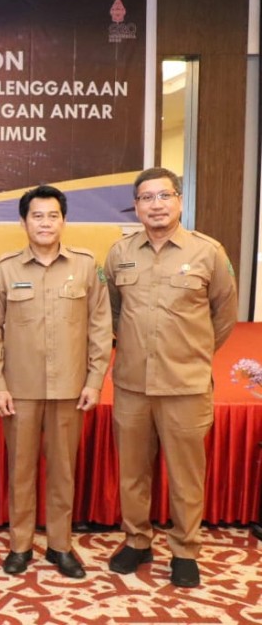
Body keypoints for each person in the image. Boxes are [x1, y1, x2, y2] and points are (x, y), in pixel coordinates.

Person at [105, 167, 237, 588]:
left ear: (180, 200)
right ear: (136, 207)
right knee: (133, 472)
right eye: (146, 198)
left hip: (186, 385)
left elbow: (224, 315)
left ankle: (185, 550)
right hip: (132, 385)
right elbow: (111, 312)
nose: (156, 205)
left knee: (186, 476)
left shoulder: (208, 252)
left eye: (164, 196)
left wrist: (191, 352)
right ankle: (137, 540)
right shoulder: (119, 253)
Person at [0, 185, 112, 578]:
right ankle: (20, 545)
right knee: (21, 471)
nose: (45, 223)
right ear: (23, 222)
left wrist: (94, 380)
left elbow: (100, 326)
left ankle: (60, 545)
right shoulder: (6, 268)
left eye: (53, 216)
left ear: (64, 220)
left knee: (63, 471)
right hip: (19, 390)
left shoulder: (86, 266)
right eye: (37, 216)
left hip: (71, 388)